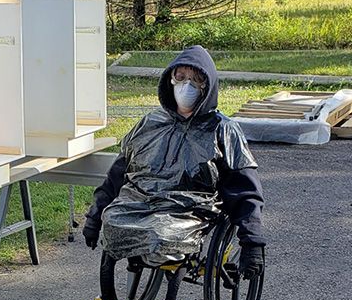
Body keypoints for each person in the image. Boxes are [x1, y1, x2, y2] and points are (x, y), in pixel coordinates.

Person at [82, 45, 265, 280]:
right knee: (113, 221)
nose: (186, 85)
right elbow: (117, 174)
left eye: (195, 79)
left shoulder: (223, 130)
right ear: (171, 79)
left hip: (189, 210)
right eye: (181, 77)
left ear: (207, 85)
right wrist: (95, 217)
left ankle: (163, 263)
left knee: (162, 233)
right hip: (140, 202)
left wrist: (252, 242)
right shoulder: (150, 124)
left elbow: (245, 188)